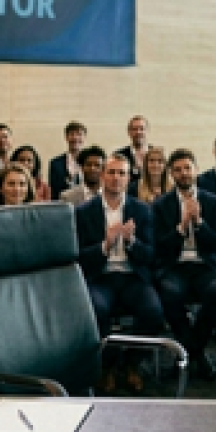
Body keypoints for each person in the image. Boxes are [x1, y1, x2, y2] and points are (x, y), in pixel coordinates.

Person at [75, 154, 163, 394]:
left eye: (121, 173)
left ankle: (132, 362)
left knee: (154, 312)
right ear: (102, 175)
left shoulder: (142, 210)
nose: (116, 178)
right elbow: (78, 256)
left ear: (129, 178)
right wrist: (105, 245)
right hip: (100, 277)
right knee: (96, 310)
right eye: (111, 172)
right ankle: (107, 366)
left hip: (132, 277)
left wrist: (131, 242)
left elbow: (151, 255)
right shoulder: (83, 211)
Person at [152, 149, 216, 381]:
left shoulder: (212, 201)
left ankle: (188, 351)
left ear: (196, 170)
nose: (183, 173)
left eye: (187, 168)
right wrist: (181, 228)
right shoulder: (161, 205)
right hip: (174, 266)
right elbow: (159, 246)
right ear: (171, 174)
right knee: (169, 293)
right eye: (177, 170)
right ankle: (197, 353)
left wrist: (200, 223)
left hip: (204, 265)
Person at [48, 121, 87, 197]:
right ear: (66, 137)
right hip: (64, 202)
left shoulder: (92, 163)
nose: (75, 137)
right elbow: (54, 193)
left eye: (79, 134)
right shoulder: (55, 164)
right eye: (72, 134)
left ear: (84, 137)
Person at [115, 115, 151, 186]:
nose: (138, 132)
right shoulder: (119, 155)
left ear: (147, 131)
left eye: (142, 129)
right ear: (129, 132)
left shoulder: (157, 154)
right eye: (134, 129)